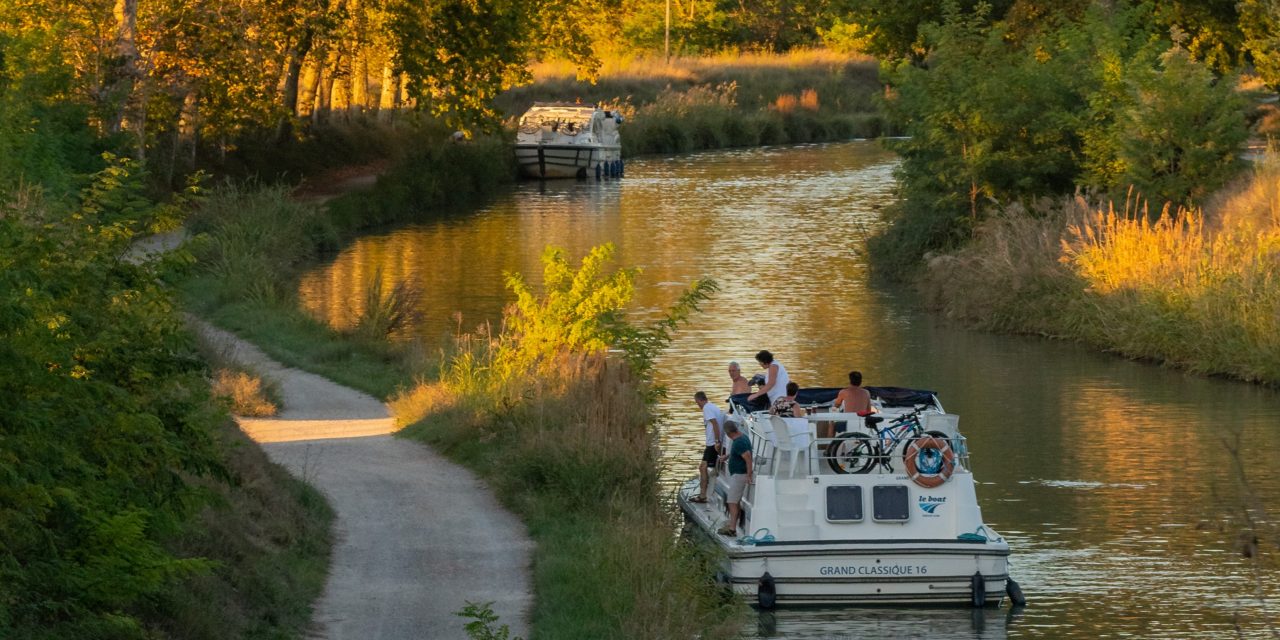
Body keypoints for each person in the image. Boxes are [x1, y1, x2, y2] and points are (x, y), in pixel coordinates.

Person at [717, 421, 753, 536]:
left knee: (731, 501)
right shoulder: (742, 437)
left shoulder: (738, 443)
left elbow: (747, 457)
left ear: (728, 433)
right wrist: (726, 456)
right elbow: (738, 453)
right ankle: (734, 524)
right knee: (734, 501)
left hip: (739, 475)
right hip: (737, 474)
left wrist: (749, 474)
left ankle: (732, 529)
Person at [692, 391, 727, 504]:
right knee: (704, 467)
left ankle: (703, 495)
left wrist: (717, 441)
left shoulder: (707, 408)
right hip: (712, 442)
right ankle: (704, 493)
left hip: (712, 443)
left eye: (697, 402)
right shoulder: (713, 407)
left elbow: (715, 423)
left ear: (701, 400)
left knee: (703, 467)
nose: (698, 405)